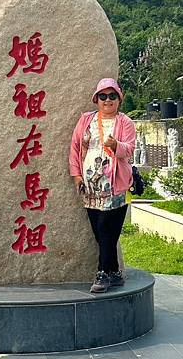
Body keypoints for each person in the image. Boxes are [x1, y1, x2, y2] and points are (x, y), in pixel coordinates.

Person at [69, 78, 136, 293]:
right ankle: (114, 272)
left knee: (107, 230)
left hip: (116, 186)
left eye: (112, 96)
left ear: (119, 98)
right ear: (96, 99)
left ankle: (102, 273)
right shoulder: (86, 121)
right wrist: (77, 175)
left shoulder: (125, 122)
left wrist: (116, 145)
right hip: (90, 187)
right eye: (103, 96)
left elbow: (130, 149)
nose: (108, 100)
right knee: (99, 231)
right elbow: (75, 148)